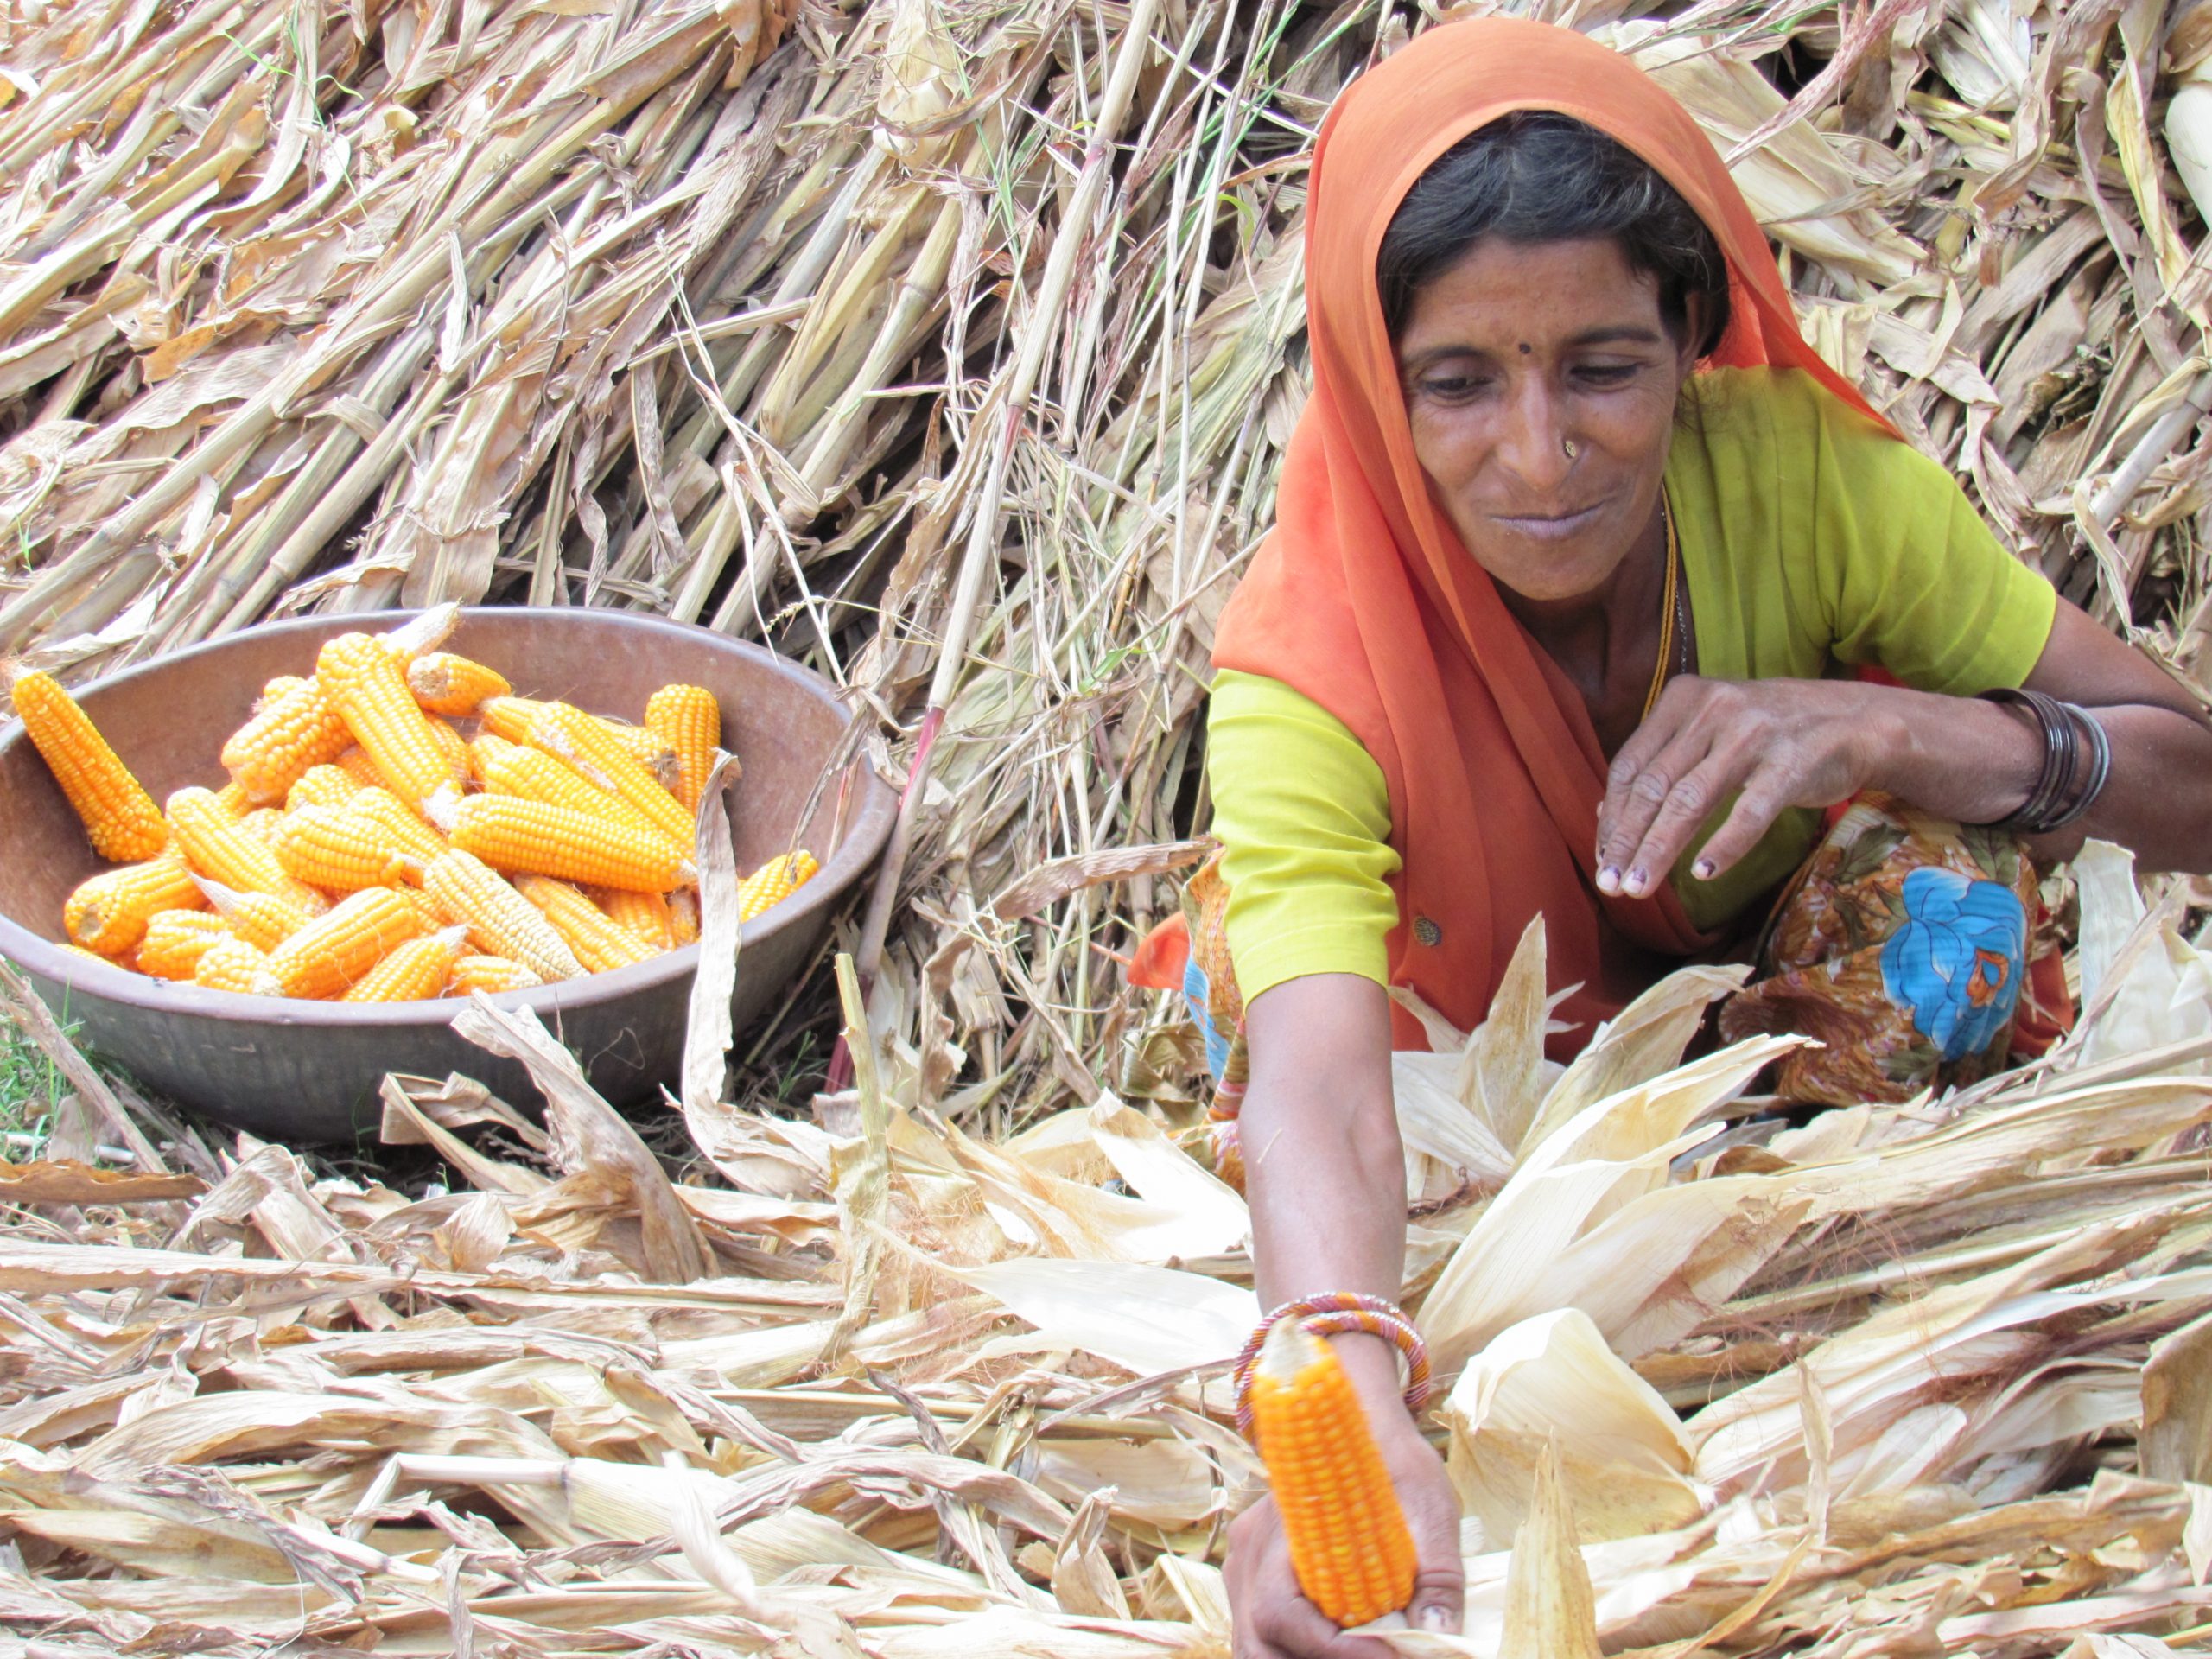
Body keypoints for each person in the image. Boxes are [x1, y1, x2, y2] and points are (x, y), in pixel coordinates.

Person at [1177, 17, 2212, 1659]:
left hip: (1788, 1019)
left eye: (1602, 366)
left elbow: (2196, 782)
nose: (1540, 457)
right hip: (1464, 1091)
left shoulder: (1808, 484)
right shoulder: (1315, 643)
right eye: (1457, 383)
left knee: (1950, 900)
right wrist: (1337, 1372)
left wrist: (1888, 725)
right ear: (1380, 388)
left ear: (1690, 332)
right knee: (1245, 971)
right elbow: (1319, 1073)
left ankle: (1799, 1239)